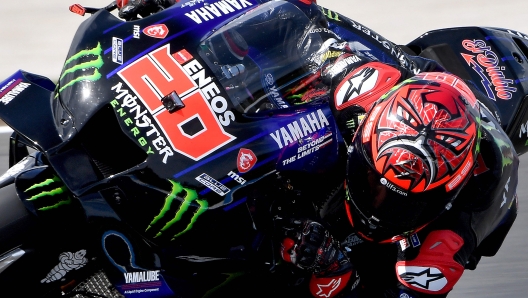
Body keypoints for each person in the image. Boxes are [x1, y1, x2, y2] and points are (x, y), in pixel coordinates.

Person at [117, 1, 519, 297]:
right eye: (370, 182)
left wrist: (333, 268)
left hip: (443, 211)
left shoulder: (448, 238)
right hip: (410, 92)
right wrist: (174, 11)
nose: (375, 201)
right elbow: (293, 15)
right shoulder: (360, 83)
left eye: (396, 203)